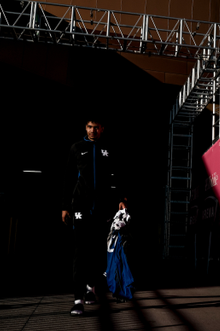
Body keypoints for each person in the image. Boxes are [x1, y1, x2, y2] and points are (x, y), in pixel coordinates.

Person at [61, 118, 127, 316]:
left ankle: (91, 286)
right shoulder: (76, 148)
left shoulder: (109, 149)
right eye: (89, 127)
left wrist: (121, 198)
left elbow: (118, 174)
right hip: (80, 206)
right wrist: (65, 206)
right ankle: (78, 299)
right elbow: (69, 177)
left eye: (96, 127)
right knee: (80, 251)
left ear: (102, 129)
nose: (93, 130)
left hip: (103, 207)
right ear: (85, 128)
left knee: (98, 250)